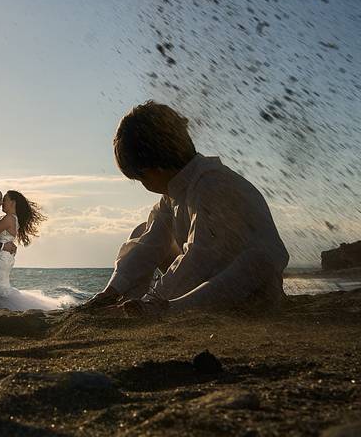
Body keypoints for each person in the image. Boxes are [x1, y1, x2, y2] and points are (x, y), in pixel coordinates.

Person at [82, 101, 289, 317]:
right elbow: (149, 244)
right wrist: (112, 290)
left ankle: (156, 308)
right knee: (142, 232)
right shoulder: (173, 194)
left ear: (155, 169)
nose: (144, 185)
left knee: (258, 261)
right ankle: (127, 305)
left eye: (141, 177)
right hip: (205, 278)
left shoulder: (212, 185)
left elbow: (199, 258)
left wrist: (154, 297)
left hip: (248, 290)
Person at [0, 190, 56, 310]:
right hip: (4, 256)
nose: (3, 203)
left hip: (1, 257)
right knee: (0, 284)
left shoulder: (9, 218)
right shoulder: (12, 218)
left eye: (5, 200)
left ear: (13, 203)